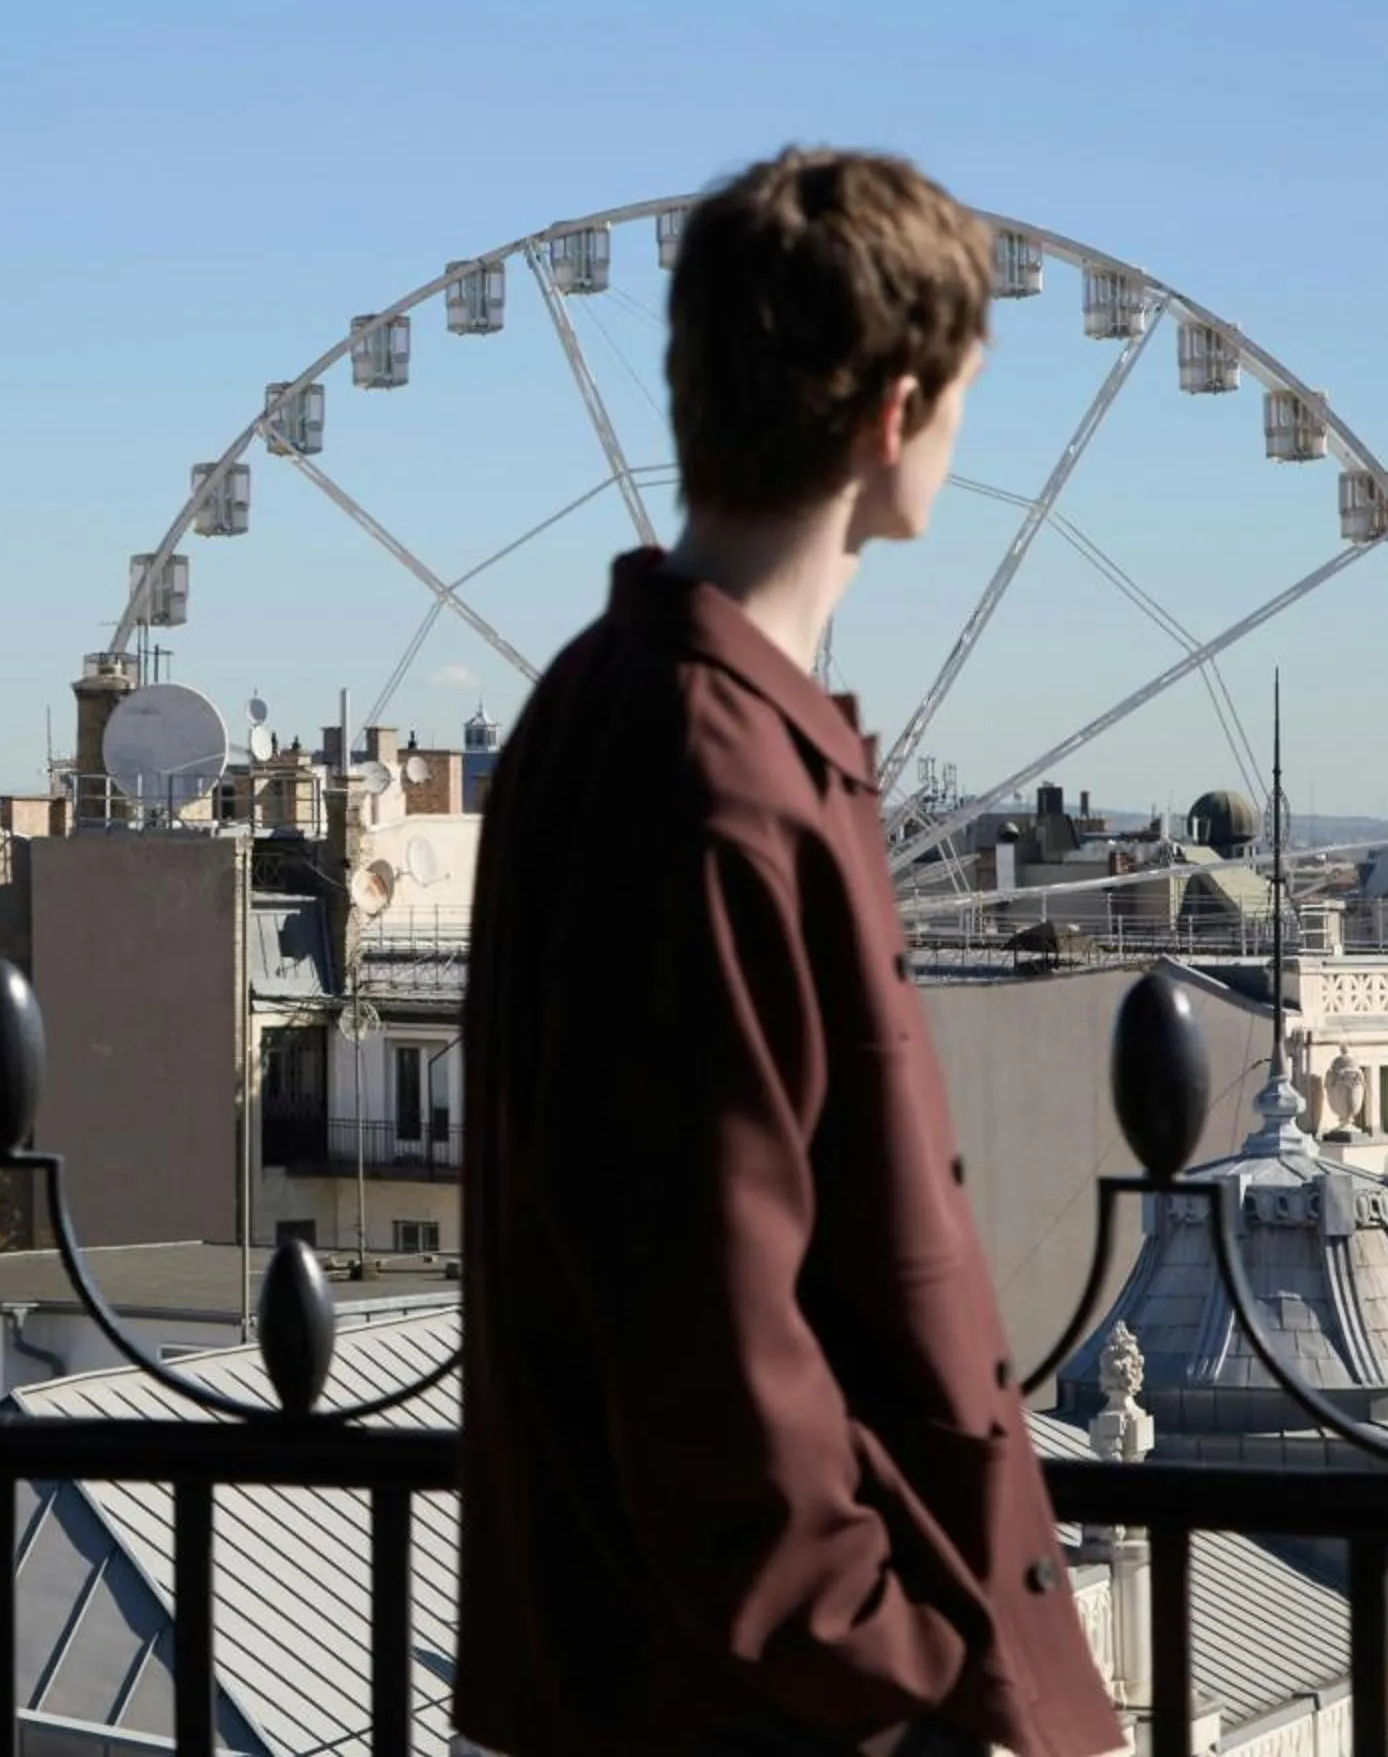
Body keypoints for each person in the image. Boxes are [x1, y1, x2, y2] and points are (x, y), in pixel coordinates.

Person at [452, 149, 1125, 1757]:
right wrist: (929, 1685)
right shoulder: (716, 779)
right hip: (767, 1718)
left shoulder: (602, 709)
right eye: (960, 398)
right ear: (896, 411)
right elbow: (712, 1352)